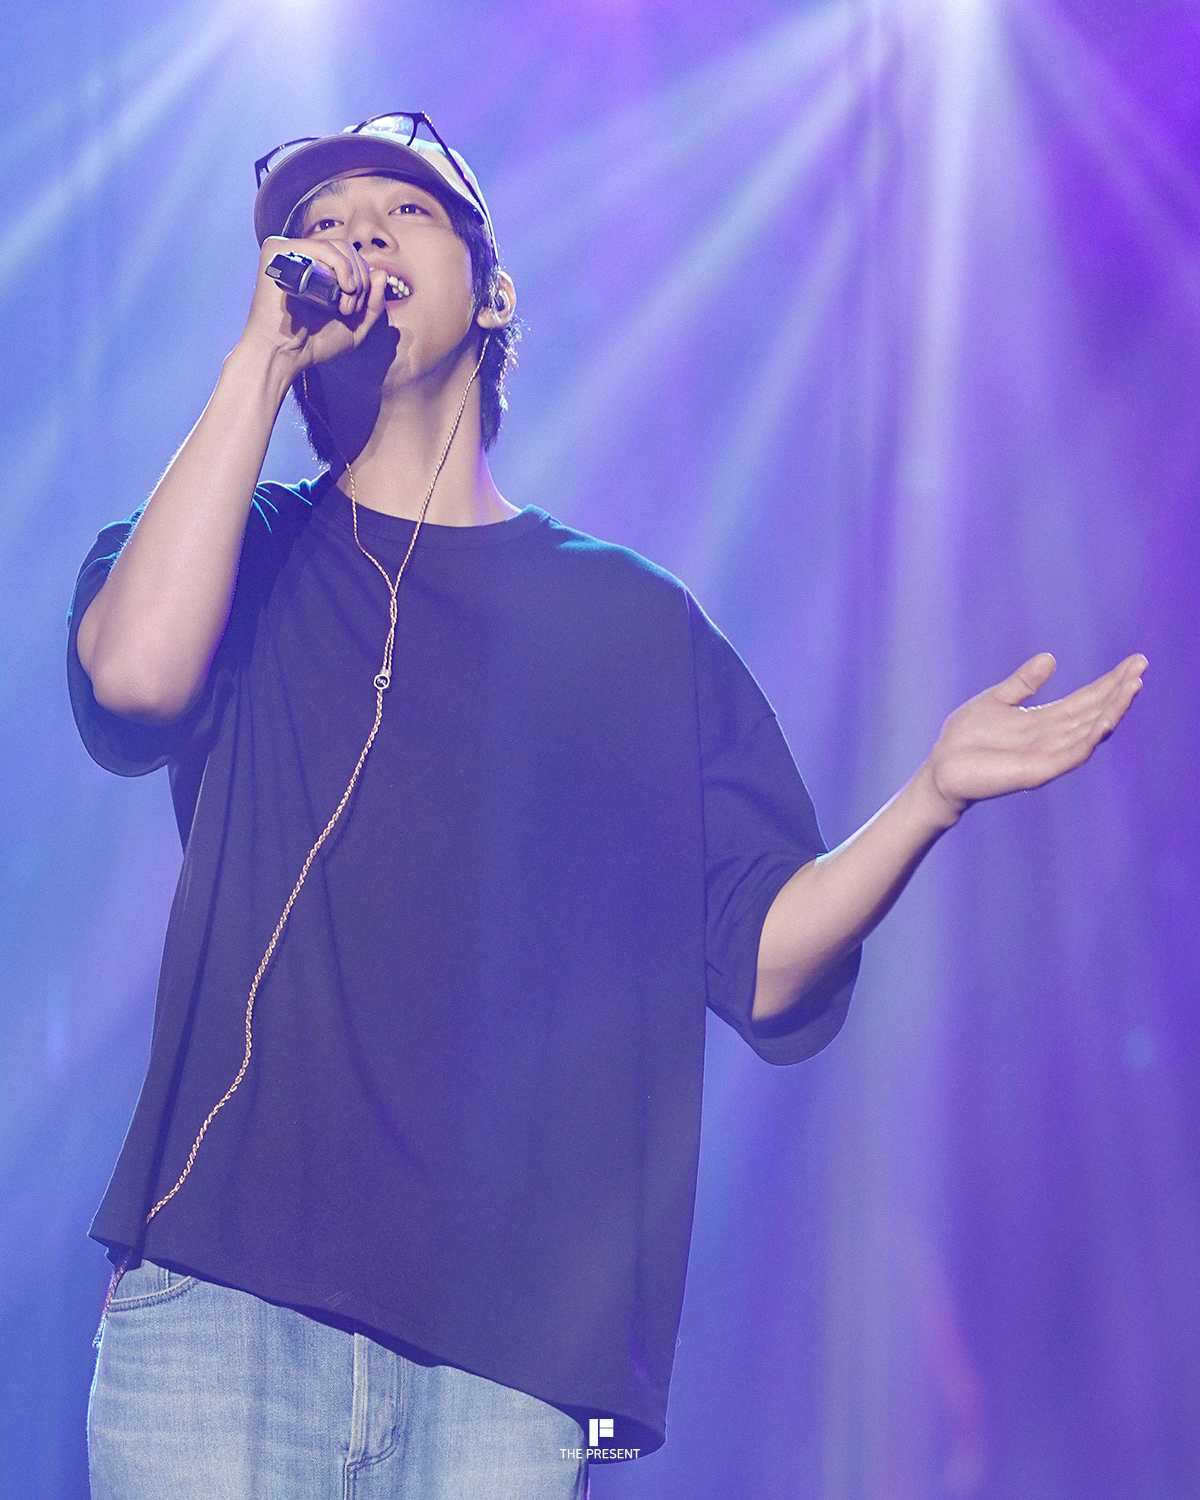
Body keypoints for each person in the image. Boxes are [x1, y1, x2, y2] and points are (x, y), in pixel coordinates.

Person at [68, 113, 1146, 1500]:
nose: (357, 234)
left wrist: (929, 797)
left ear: (495, 293)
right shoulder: (243, 552)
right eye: (323, 220)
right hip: (222, 1309)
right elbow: (137, 676)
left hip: (505, 1351)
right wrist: (259, 362)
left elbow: (763, 959)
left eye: (404, 211)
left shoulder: (631, 626)